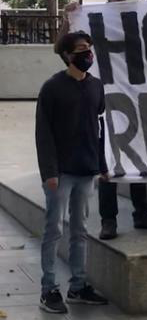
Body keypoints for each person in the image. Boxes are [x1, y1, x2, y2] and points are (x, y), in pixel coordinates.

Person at [59, 0, 147, 240]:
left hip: (137, 98)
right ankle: (108, 220)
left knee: (138, 156)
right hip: (106, 101)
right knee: (108, 160)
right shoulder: (93, 19)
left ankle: (142, 213)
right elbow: (61, 48)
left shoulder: (142, 13)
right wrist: (68, 18)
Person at [36, 32, 109, 313]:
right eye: (81, 49)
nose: (87, 53)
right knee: (53, 229)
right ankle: (48, 289)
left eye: (89, 48)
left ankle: (78, 286)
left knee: (80, 230)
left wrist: (101, 165)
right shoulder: (52, 87)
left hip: (86, 170)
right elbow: (43, 133)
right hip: (60, 173)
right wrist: (49, 172)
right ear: (67, 55)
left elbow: (98, 128)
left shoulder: (96, 87)